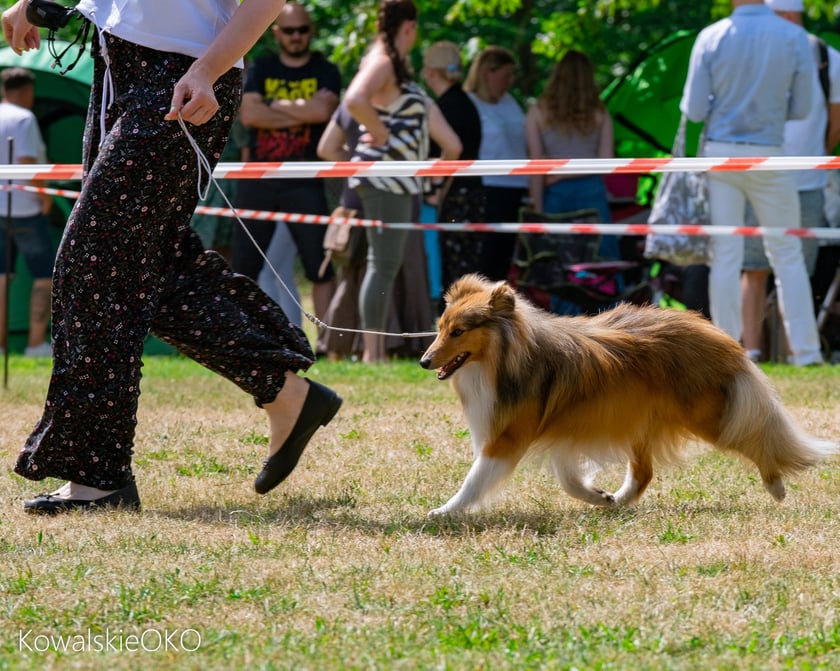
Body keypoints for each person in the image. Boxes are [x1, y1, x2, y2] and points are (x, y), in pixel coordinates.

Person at [1, 0, 342, 514]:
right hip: (116, 58)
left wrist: (208, 69)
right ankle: (287, 394)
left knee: (94, 263)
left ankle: (97, 475)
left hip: (189, 72)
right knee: (145, 263)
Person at [680, 0, 824, 367]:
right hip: (770, 152)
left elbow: (694, 110)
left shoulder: (710, 37)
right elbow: (805, 108)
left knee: (725, 254)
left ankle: (725, 352)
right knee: (787, 254)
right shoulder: (794, 36)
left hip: (721, 152)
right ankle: (806, 353)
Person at [344, 0, 461, 364]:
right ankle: (371, 354)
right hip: (385, 179)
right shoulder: (383, 59)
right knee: (382, 264)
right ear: (408, 27)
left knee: (384, 264)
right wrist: (380, 136)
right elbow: (354, 99)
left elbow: (451, 146)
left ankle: (372, 352)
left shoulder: (385, 58)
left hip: (393, 180)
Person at [231, 2, 341, 351]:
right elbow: (249, 115)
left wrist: (273, 108)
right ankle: (240, 339)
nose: (296, 37)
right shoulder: (262, 66)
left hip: (307, 177)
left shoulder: (326, 70)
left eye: (303, 30)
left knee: (319, 265)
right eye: (289, 30)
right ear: (276, 32)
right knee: (243, 266)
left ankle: (326, 344)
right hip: (259, 177)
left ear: (310, 32)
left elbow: (324, 110)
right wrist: (302, 111)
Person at [740, 0, 840, 362]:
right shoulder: (830, 57)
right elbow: (836, 126)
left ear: (784, 14)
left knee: (766, 272)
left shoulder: (825, 58)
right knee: (778, 271)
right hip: (790, 180)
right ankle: (773, 353)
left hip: (784, 179)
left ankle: (766, 353)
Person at [525, 50, 619, 261]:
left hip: (554, 196)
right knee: (601, 264)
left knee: (558, 266)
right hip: (592, 193)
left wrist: (538, 210)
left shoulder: (537, 111)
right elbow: (606, 163)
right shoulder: (599, 112)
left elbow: (535, 167)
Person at [421, 40, 485, 296]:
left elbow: (453, 151)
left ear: (430, 72)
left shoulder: (444, 108)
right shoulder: (466, 103)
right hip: (473, 194)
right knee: (468, 273)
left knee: (456, 280)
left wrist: (439, 189)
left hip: (455, 197)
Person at [0, 67, 54, 358]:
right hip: (25, 209)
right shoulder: (25, 118)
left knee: (0, 276)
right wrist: (44, 196)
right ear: (28, 91)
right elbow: (26, 162)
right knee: (44, 275)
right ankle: (35, 345)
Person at [463, 46, 528, 282]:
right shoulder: (469, 103)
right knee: (485, 256)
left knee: (504, 257)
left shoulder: (510, 101)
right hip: (488, 187)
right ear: (487, 73)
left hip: (516, 187)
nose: (509, 82)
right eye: (505, 76)